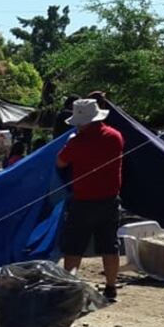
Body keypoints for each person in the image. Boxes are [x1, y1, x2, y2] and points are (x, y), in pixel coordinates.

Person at [55, 98, 124, 301]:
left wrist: (70, 143)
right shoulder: (116, 137)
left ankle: (70, 289)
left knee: (74, 247)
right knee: (110, 246)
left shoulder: (76, 143)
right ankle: (111, 288)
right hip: (110, 200)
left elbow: (60, 163)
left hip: (83, 202)